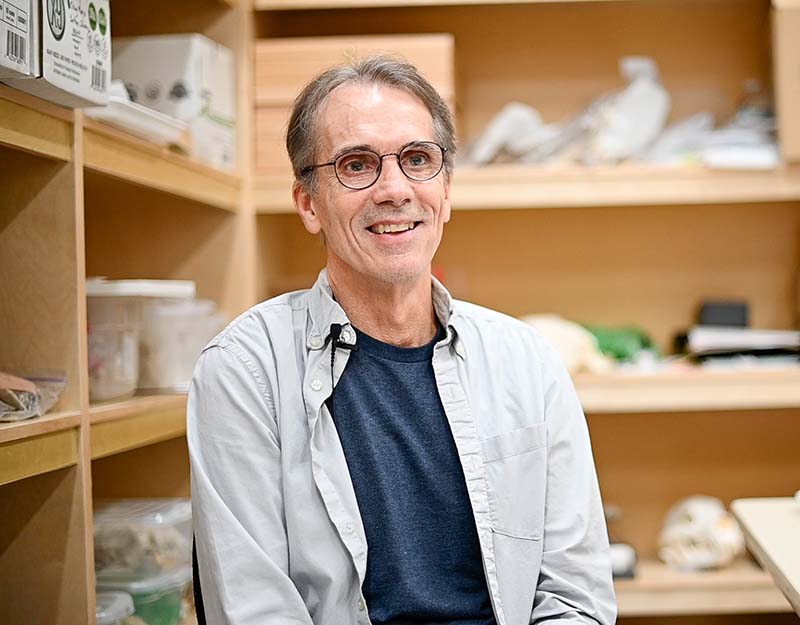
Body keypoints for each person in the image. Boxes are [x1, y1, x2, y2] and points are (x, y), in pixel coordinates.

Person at [188, 55, 617, 625]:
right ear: (308, 203)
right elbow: (253, 610)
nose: (394, 190)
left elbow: (575, 598)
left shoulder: (526, 361)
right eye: (356, 165)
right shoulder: (245, 372)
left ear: (446, 189)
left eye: (418, 160)